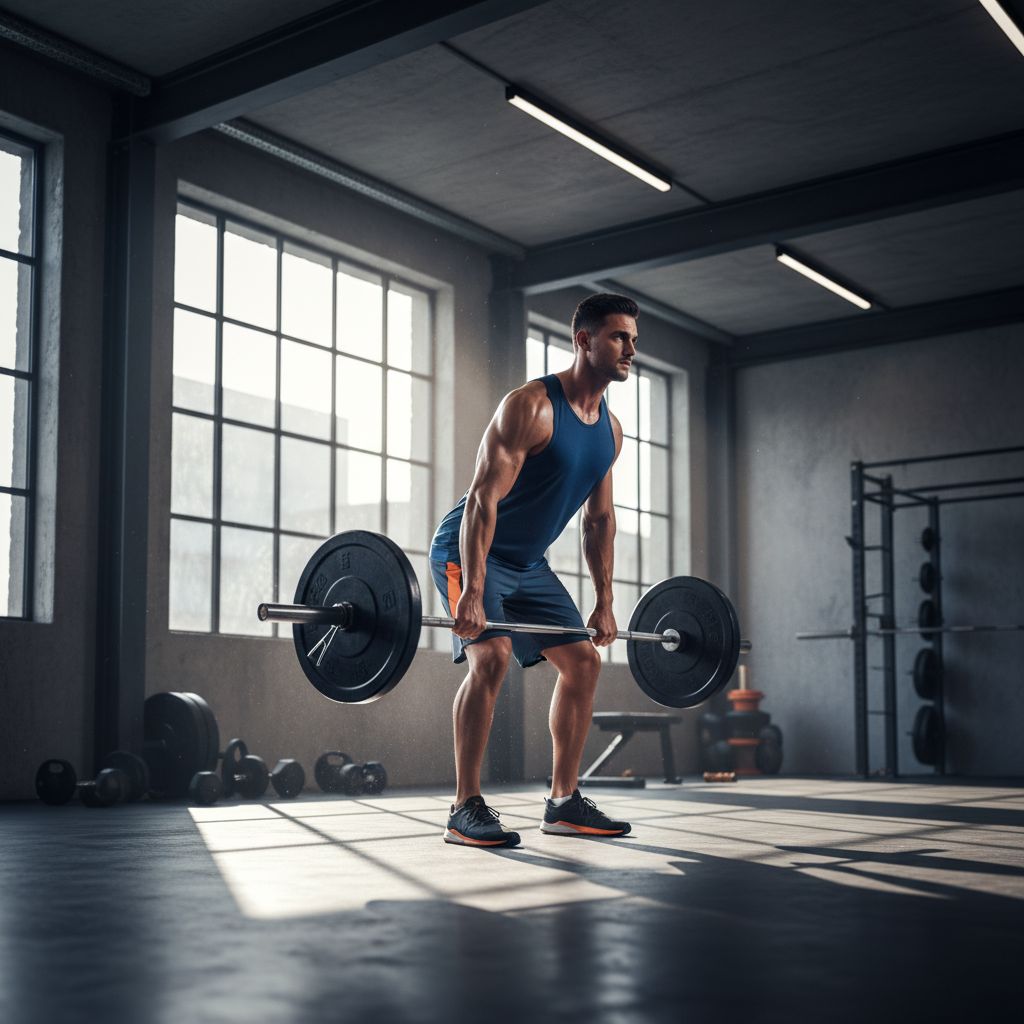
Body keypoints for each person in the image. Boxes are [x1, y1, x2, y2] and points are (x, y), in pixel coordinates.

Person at [428, 293, 640, 847]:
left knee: (584, 663)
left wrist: (605, 600)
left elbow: (600, 521)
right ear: (584, 340)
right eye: (619, 337)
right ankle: (463, 806)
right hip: (467, 550)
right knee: (491, 656)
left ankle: (564, 802)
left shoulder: (610, 432)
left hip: (527, 564)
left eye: (633, 340)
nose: (630, 350)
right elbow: (481, 501)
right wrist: (473, 589)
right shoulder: (530, 406)